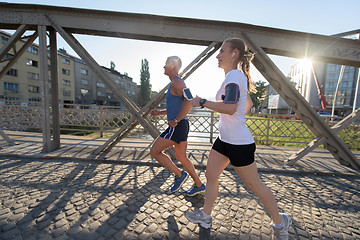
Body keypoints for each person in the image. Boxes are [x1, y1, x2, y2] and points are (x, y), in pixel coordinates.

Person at [185, 38, 292, 239]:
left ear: (234, 53)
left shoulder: (234, 75)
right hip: (224, 139)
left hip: (239, 144)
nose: (217, 55)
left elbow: (232, 107)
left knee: (254, 185)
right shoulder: (232, 77)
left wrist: (203, 102)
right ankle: (206, 216)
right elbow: (246, 103)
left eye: (222, 51)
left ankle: (280, 222)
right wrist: (232, 117)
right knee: (211, 175)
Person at [150, 56, 205, 196]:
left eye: (166, 65)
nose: (163, 67)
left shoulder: (177, 82)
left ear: (173, 66)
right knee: (182, 157)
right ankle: (199, 185)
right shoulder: (175, 83)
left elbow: (190, 101)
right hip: (181, 125)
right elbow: (176, 106)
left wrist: (176, 119)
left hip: (178, 126)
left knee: (155, 152)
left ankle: (180, 175)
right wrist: (159, 113)